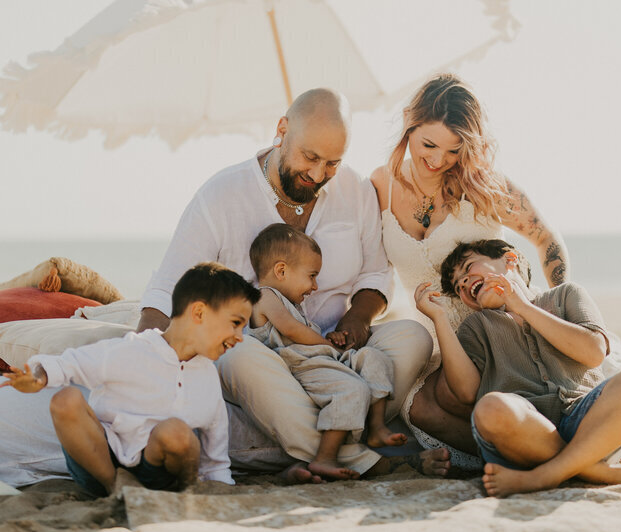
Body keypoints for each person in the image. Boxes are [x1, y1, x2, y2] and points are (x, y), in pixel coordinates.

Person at [137, 88, 449, 481]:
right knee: (237, 356)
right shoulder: (221, 194)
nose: (319, 175)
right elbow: (168, 289)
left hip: (335, 353)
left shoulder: (355, 190)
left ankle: (310, 444)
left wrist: (357, 321)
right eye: (310, 157)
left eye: (332, 163)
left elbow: (374, 276)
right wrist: (144, 365)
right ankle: (366, 457)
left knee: (413, 336)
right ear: (282, 130)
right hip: (267, 360)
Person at [370, 74, 570, 467]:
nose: (438, 160)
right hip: (434, 341)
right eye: (428, 144)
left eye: (454, 150)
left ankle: (549, 453)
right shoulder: (381, 185)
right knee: (421, 412)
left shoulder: (485, 186)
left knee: (507, 400)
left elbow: (547, 240)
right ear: (409, 124)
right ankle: (529, 456)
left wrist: (556, 306)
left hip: (499, 331)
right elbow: (368, 270)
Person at [415, 239, 621, 497]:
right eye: (459, 286)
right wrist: (440, 319)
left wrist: (521, 307)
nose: (464, 282)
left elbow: (594, 353)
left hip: (587, 421)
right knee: (490, 407)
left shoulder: (566, 294)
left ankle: (546, 475)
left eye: (469, 267)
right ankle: (593, 470)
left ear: (510, 259)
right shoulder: (476, 326)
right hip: (524, 433)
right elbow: (467, 393)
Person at [1, 262, 261, 497]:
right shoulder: (132, 350)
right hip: (105, 464)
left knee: (176, 432)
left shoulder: (207, 377)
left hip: (162, 471)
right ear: (199, 313)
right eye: (235, 323)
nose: (239, 336)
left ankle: (171, 493)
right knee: (65, 400)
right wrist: (35, 378)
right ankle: (116, 489)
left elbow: (216, 459)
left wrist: (222, 487)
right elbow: (69, 363)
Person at [247, 223, 406, 480]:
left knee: (374, 358)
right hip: (297, 364)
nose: (315, 285)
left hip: (317, 359)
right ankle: (325, 457)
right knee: (351, 389)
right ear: (281, 270)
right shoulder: (264, 296)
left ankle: (377, 427)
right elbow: (293, 331)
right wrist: (327, 345)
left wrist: (331, 340)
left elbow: (306, 334)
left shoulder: (290, 303)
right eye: (312, 275)